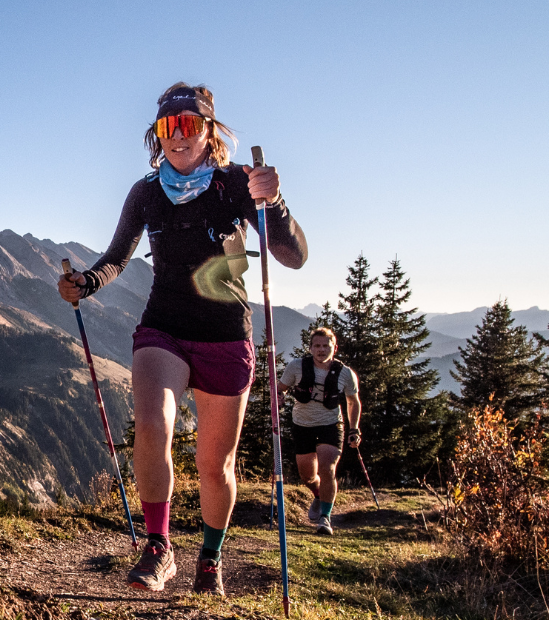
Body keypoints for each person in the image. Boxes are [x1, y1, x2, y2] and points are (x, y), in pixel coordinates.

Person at [58, 83, 307, 595]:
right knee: (151, 426)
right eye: (168, 127)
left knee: (215, 466)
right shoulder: (146, 192)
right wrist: (85, 282)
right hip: (163, 327)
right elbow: (116, 258)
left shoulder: (237, 184)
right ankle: (160, 546)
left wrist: (275, 202)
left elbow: (294, 256)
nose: (178, 136)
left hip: (225, 337)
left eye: (189, 124)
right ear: (157, 135)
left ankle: (210, 559)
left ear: (209, 131)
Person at [278, 327, 362, 536]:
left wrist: (354, 429)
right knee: (307, 475)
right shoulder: (296, 367)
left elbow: (353, 402)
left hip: (331, 425)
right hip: (302, 425)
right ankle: (318, 493)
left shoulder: (345, 373)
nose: (321, 350)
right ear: (311, 348)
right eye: (317, 345)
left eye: (326, 346)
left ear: (334, 348)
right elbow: (280, 389)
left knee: (328, 468)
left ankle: (325, 517)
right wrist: (278, 398)